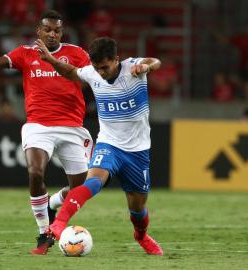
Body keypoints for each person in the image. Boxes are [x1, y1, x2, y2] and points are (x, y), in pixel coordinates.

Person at [0, 10, 93, 255]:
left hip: (72, 127)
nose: (53, 34)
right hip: (38, 126)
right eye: (48, 29)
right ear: (39, 31)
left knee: (81, 188)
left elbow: (96, 77)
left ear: (62, 32)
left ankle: (54, 203)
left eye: (57, 30)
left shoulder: (77, 54)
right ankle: (44, 233)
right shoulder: (25, 53)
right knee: (35, 172)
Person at [35, 36, 164, 255]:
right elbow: (70, 72)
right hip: (108, 144)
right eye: (97, 68)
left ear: (116, 59)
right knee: (93, 182)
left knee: (137, 207)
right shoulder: (92, 72)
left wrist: (146, 66)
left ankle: (141, 236)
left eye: (105, 67)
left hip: (137, 151)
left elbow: (156, 61)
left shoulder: (133, 67)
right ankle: (56, 227)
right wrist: (51, 60)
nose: (101, 72)